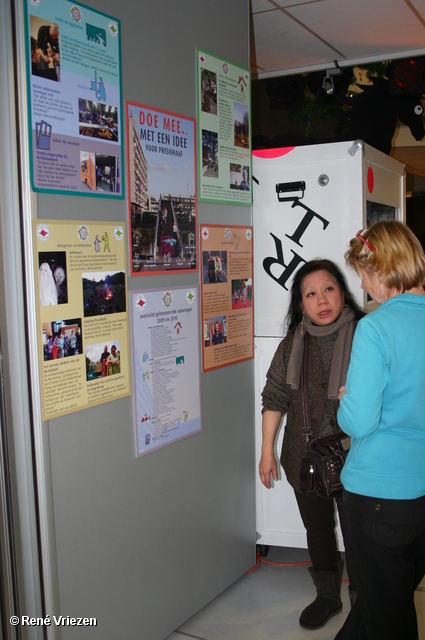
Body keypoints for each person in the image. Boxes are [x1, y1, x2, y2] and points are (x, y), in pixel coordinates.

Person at [259, 259, 365, 630]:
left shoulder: (368, 333)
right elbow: (274, 397)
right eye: (311, 293)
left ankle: (364, 603)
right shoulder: (293, 343)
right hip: (303, 457)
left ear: (342, 291)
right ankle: (327, 597)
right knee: (318, 530)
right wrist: (267, 451)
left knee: (359, 533)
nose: (322, 299)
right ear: (300, 304)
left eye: (329, 288)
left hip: (358, 457)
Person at [334, 221, 425, 640]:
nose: (365, 287)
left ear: (383, 270)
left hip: (378, 497)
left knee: (388, 616)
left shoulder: (375, 327)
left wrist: (347, 397)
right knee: (384, 599)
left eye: (364, 275)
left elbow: (359, 421)